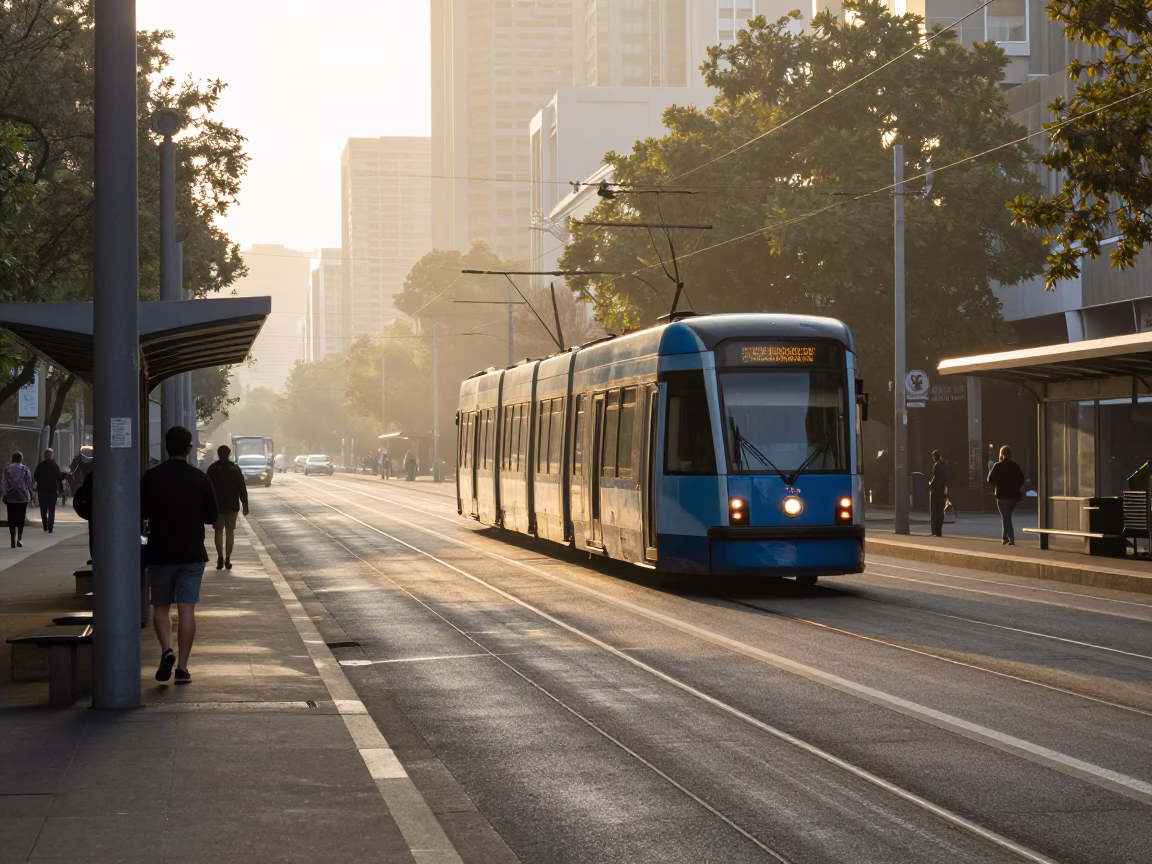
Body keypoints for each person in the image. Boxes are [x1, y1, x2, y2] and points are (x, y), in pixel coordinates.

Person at [141, 426, 220, 685]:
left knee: (161, 607)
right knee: (187, 609)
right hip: (192, 552)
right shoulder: (200, 479)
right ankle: (183, 668)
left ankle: (167, 650)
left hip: (160, 552)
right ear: (189, 448)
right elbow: (212, 516)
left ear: (166, 446)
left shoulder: (151, 477)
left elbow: (140, 511)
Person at [206, 444, 249, 570]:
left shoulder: (212, 469)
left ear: (218, 455)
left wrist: (207, 505)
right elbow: (242, 487)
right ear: (229, 454)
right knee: (230, 532)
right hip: (232, 505)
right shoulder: (235, 469)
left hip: (217, 506)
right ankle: (227, 558)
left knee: (218, 531)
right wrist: (245, 504)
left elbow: (207, 488)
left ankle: (219, 556)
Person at [987, 444, 1026, 546]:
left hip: (1002, 495)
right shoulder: (1015, 465)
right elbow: (1022, 480)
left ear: (1001, 454)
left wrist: (998, 482)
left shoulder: (998, 466)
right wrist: (1016, 487)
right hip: (1014, 497)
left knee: (1006, 517)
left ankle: (1011, 538)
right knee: (1007, 516)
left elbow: (989, 479)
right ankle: (1004, 538)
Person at [1, 451, 33, 548]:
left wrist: (6, 492)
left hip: (11, 497)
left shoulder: (7, 469)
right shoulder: (25, 469)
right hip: (22, 497)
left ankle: (12, 537)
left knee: (11, 517)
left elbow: (4, 482)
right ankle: (19, 538)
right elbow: (28, 482)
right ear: (21, 459)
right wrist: (28, 492)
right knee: (21, 517)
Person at [33, 448, 64, 533]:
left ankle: (44, 526)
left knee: (43, 509)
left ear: (44, 455)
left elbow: (35, 477)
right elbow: (59, 478)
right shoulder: (55, 465)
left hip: (42, 490)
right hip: (52, 490)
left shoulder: (40, 466)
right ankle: (50, 526)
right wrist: (61, 488)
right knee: (51, 508)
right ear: (52, 455)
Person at [928, 450, 948, 537]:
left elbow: (935, 477)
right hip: (942, 491)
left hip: (936, 491)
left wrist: (930, 484)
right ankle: (939, 530)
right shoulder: (944, 465)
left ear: (934, 456)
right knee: (940, 511)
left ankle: (934, 530)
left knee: (934, 511)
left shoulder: (936, 466)